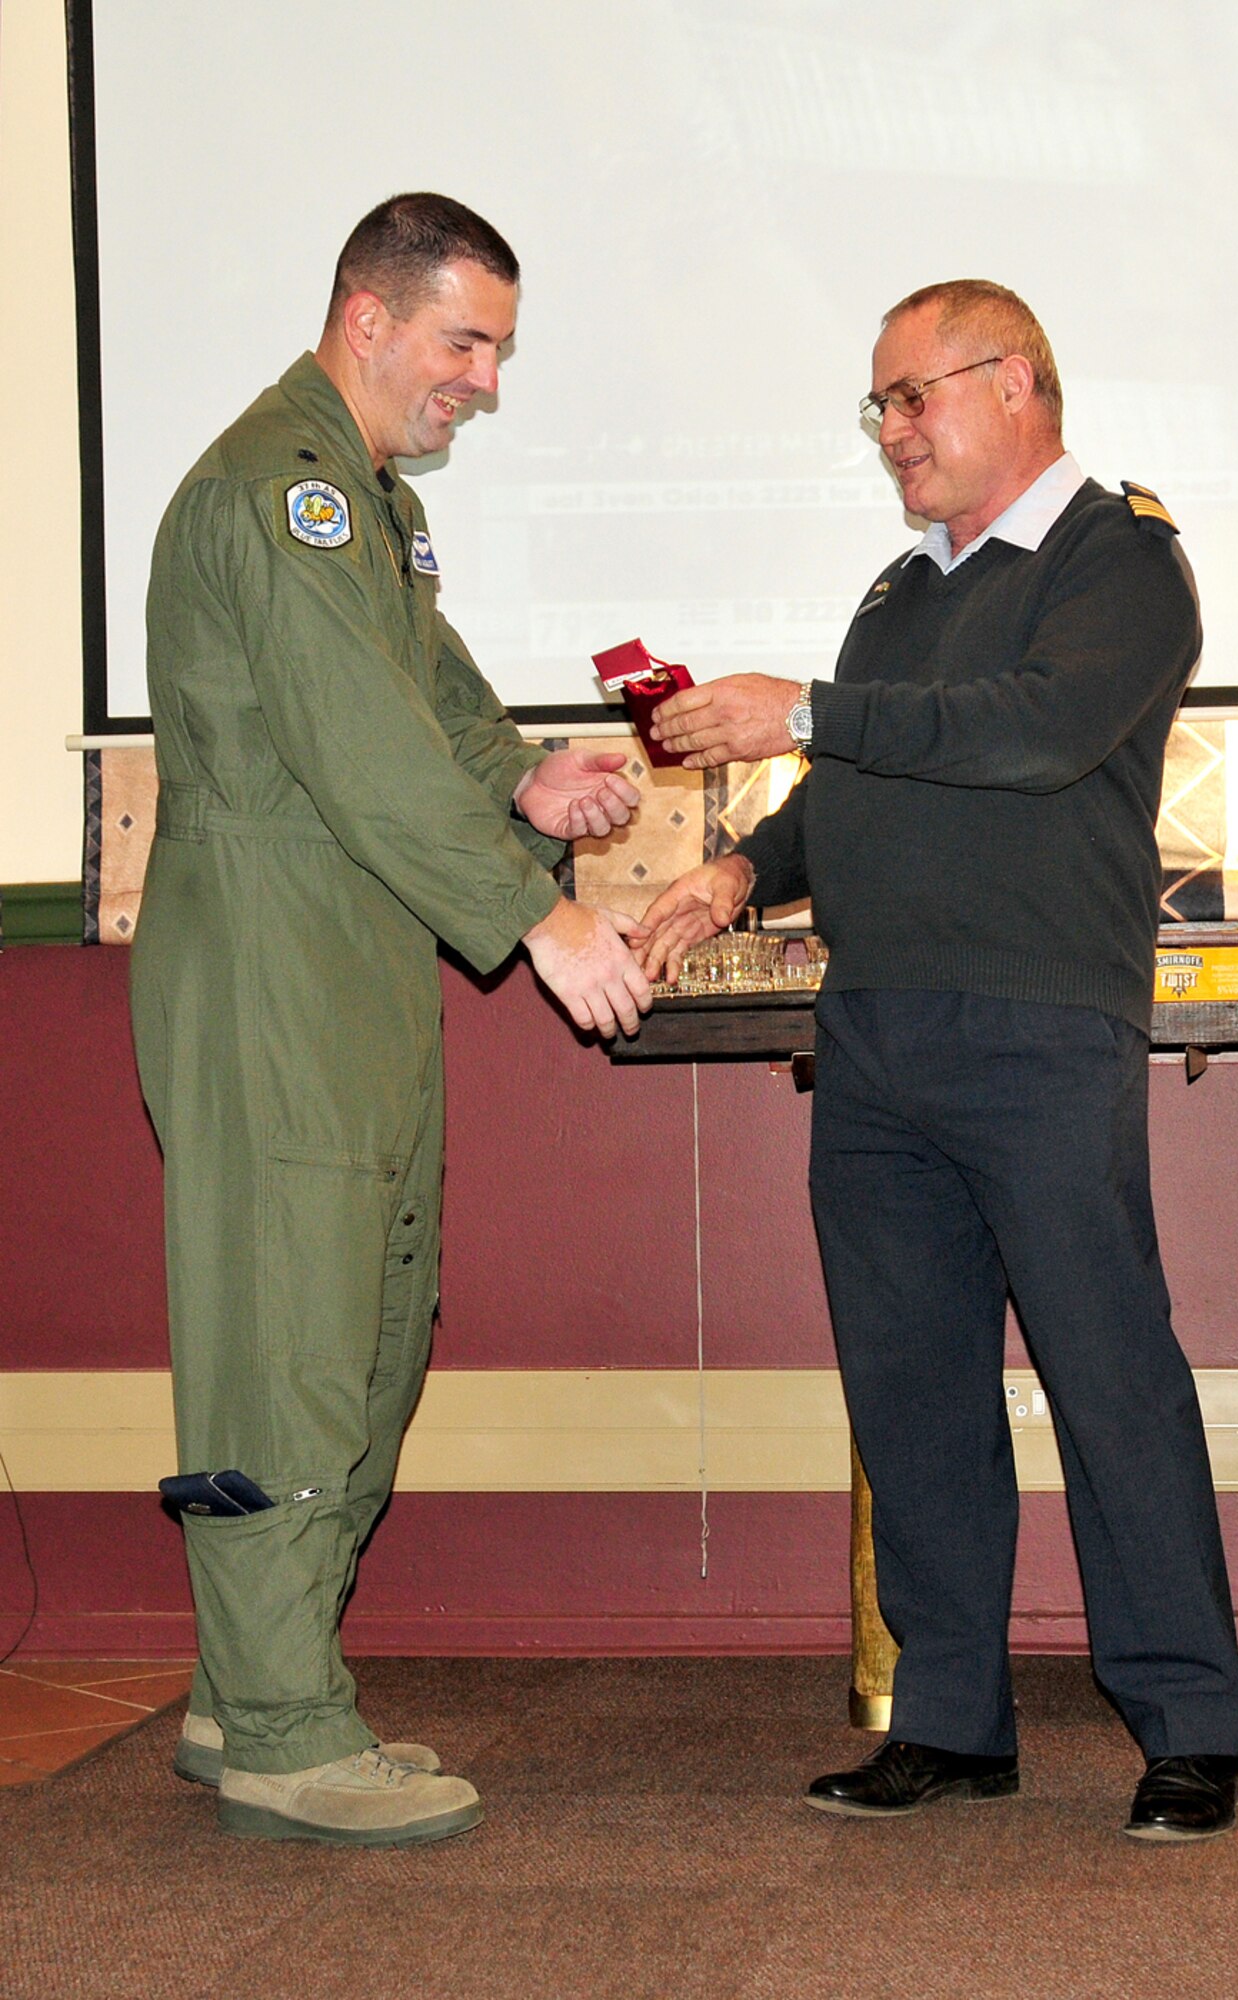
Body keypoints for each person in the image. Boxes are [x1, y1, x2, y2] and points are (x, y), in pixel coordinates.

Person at [640, 280, 1238, 1842]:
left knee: (1108, 1379)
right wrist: (741, 871)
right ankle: (950, 1719)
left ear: (1018, 383)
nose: (891, 433)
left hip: (1040, 1028)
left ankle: (1186, 1720)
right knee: (908, 1389)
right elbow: (857, 786)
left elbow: (1032, 732)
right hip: (875, 1034)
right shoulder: (898, 587)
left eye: (911, 398)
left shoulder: (1117, 557)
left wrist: (809, 706)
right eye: (879, 406)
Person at [130, 193, 651, 1847]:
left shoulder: (362, 502)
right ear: (369, 318)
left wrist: (520, 773)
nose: (482, 383)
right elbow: (356, 748)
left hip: (348, 953)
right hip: (271, 957)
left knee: (365, 1311)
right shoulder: (281, 490)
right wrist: (540, 919)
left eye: (492, 347)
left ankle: (250, 1681)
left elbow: (417, 694)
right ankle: (284, 1725)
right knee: (290, 1329)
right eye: (463, 343)